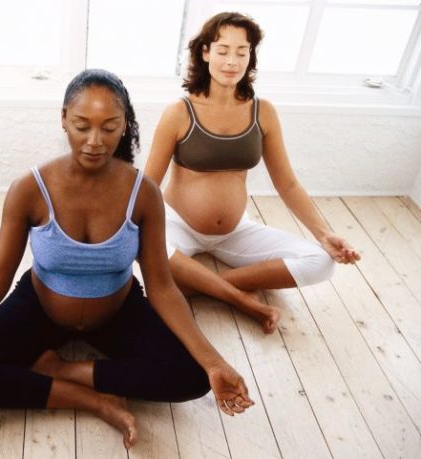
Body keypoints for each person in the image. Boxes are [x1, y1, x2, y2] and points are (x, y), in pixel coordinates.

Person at [0, 69, 254, 448]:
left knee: (195, 377)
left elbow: (162, 287)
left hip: (117, 311)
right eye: (82, 125)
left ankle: (62, 370)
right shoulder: (30, 189)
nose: (95, 141)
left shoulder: (143, 193)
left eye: (110, 127)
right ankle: (91, 400)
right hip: (41, 307)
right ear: (63, 118)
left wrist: (215, 363)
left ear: (125, 125)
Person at [144, 12, 360, 334]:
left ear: (250, 57)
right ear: (205, 53)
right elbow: (148, 185)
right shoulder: (179, 112)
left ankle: (204, 286)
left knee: (321, 263)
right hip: (177, 225)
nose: (231, 61)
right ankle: (241, 299)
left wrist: (323, 234)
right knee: (143, 256)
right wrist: (131, 234)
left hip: (234, 232)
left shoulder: (264, 113)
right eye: (223, 50)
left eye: (241, 52)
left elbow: (287, 184)